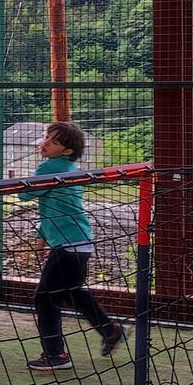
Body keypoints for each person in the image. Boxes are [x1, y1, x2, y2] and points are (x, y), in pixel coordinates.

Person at [20, 121, 126, 371]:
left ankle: (56, 355)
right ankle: (110, 330)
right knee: (72, 292)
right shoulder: (69, 168)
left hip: (68, 246)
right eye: (46, 137)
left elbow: (26, 194)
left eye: (54, 142)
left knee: (45, 299)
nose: (45, 143)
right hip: (79, 243)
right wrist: (41, 235)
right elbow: (55, 207)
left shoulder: (52, 167)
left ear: (67, 151)